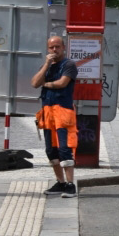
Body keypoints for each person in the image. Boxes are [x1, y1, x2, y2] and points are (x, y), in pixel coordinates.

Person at [30, 35, 78, 198]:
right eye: (51, 47)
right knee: (51, 150)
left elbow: (62, 83)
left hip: (63, 111)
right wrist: (46, 65)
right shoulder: (47, 66)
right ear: (47, 49)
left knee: (64, 148)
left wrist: (46, 84)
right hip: (47, 112)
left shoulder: (69, 65)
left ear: (64, 47)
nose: (54, 50)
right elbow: (34, 83)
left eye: (57, 47)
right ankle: (60, 182)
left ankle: (70, 185)